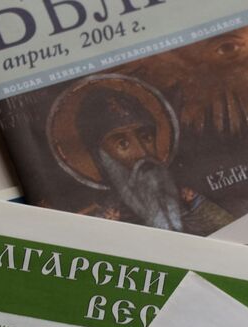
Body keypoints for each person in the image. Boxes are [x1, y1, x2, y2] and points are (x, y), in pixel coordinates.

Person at [67, 81, 233, 235]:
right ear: (101, 159)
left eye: (146, 137)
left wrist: (199, 206)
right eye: (123, 144)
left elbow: (231, 232)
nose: (143, 152)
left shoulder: (187, 197)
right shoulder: (104, 219)